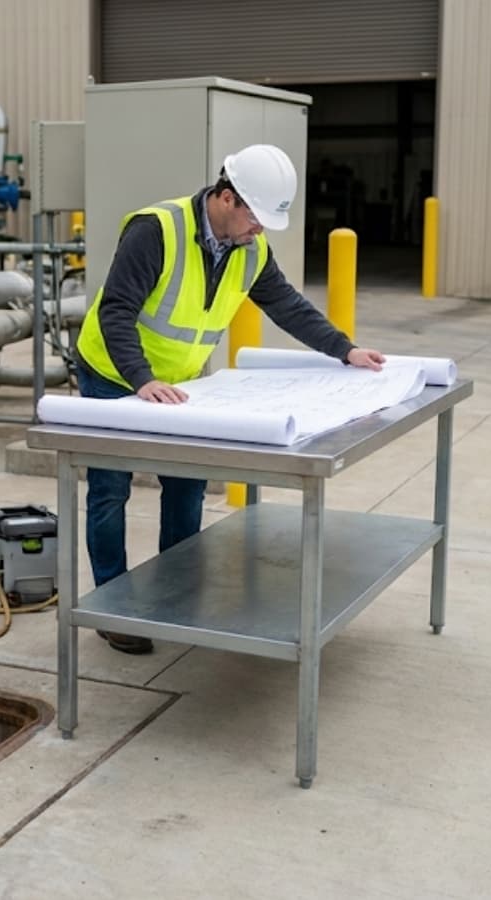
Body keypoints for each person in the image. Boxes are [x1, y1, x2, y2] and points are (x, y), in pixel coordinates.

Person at [73, 143, 387, 654]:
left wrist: (344, 349)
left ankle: (176, 596)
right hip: (114, 373)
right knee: (110, 490)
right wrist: (140, 379)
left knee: (187, 485)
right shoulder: (156, 231)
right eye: (255, 218)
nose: (259, 230)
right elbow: (116, 311)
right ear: (225, 198)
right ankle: (113, 604)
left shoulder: (250, 249)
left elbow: (287, 305)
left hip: (184, 383)